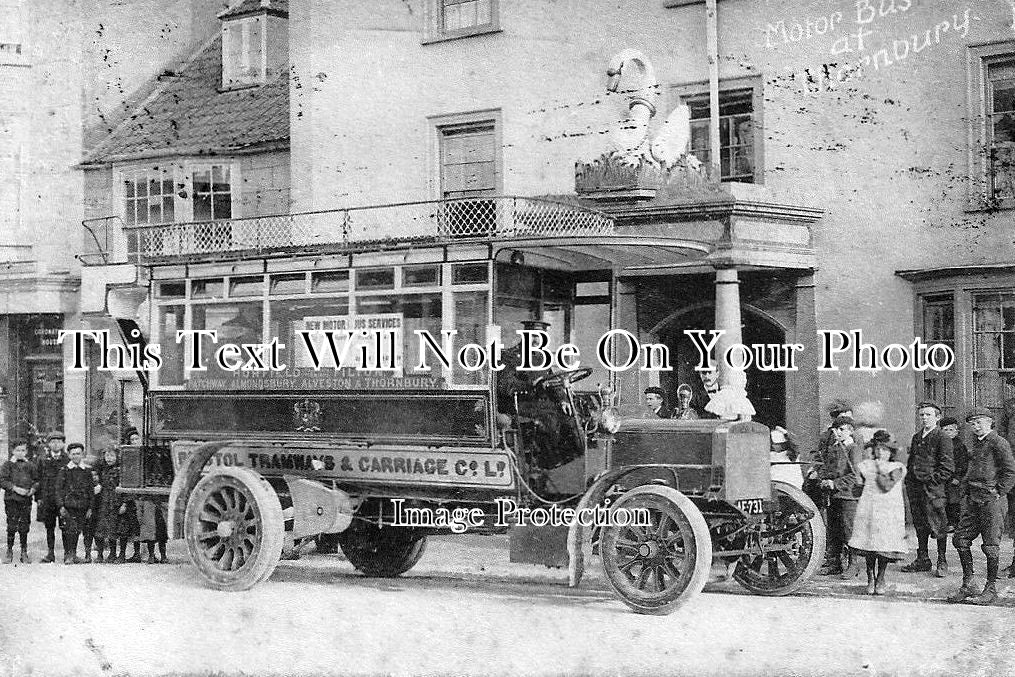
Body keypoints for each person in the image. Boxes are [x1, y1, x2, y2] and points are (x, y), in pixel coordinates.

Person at [947, 408, 1015, 605]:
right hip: (973, 500)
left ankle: (990, 588)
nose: (976, 427)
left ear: (990, 422)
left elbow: (1010, 472)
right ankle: (969, 584)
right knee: (960, 539)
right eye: (972, 423)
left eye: (979, 422)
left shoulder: (998, 442)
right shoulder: (976, 444)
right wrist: (965, 493)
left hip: (991, 502)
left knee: (991, 546)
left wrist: (998, 492)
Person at [849, 430, 907, 595]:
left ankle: (881, 577)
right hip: (868, 509)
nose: (882, 453)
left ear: (892, 452)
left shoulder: (898, 467)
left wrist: (873, 470)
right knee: (869, 545)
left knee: (883, 546)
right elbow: (858, 484)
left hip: (888, 512)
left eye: (886, 449)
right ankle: (870, 577)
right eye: (879, 449)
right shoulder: (865, 465)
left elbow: (886, 484)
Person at [901, 401, 954, 578]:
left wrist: (932, 481)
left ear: (937, 417)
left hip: (933, 490)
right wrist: (909, 481)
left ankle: (942, 560)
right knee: (920, 524)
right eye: (922, 415)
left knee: (939, 524)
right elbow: (911, 462)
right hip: (915, 488)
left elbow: (947, 467)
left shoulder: (942, 437)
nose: (924, 418)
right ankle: (922, 559)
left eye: (928, 415)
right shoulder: (917, 437)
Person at [816, 415, 863, 577]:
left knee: (848, 531)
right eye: (836, 429)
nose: (838, 432)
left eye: (842, 429)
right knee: (834, 531)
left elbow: (855, 475)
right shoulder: (834, 447)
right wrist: (823, 479)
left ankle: (853, 564)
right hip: (832, 496)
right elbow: (826, 468)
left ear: (850, 431)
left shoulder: (853, 449)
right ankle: (835, 563)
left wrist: (835, 484)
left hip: (848, 496)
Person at [55, 442, 99, 565]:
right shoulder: (64, 471)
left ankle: (80, 554)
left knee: (80, 530)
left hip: (83, 506)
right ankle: (69, 554)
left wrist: (90, 507)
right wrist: (61, 506)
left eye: (78, 454)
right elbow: (58, 490)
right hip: (69, 506)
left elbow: (91, 491)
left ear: (82, 454)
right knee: (69, 530)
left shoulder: (87, 471)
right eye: (73, 454)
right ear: (69, 455)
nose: (76, 456)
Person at [0, 440, 38, 563]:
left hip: (26, 499)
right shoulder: (7, 465)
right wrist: (15, 488)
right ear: (13, 451)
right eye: (17, 450)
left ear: (26, 451)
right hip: (11, 499)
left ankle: (24, 551)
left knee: (24, 525)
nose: (20, 453)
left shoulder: (31, 465)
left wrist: (32, 489)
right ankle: (9, 551)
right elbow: (2, 480)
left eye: (23, 450)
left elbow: (37, 480)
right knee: (11, 525)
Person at [34, 430, 68, 563]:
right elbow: (38, 479)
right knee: (49, 526)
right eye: (53, 442)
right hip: (47, 498)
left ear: (63, 444)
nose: (55, 444)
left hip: (63, 499)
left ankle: (67, 553)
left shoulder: (67, 459)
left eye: (58, 442)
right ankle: (50, 553)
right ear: (48, 444)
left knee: (65, 526)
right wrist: (39, 498)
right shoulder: (42, 460)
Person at [939, 417, 968, 535]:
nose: (948, 432)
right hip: (942, 477)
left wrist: (957, 477)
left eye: (951, 430)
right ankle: (942, 523)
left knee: (953, 501)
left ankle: (953, 523)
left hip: (953, 479)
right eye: (945, 430)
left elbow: (963, 463)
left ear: (956, 431)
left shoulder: (959, 446)